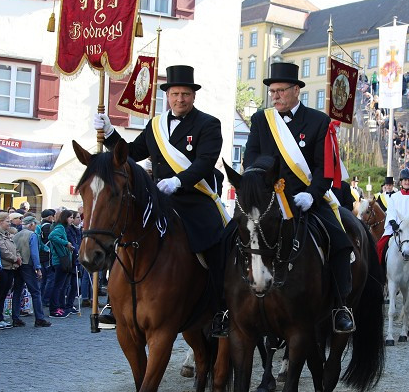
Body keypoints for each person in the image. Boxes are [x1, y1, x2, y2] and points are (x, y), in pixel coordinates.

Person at [93, 64, 231, 334]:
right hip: (158, 199)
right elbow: (131, 153)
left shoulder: (208, 124)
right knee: (124, 235)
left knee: (216, 244)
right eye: (175, 94)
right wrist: (110, 134)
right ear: (167, 96)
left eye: (186, 94)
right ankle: (113, 301)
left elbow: (205, 162)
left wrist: (179, 181)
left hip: (195, 198)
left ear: (193, 96)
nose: (180, 99)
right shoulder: (156, 125)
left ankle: (221, 309)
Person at [242, 61, 355, 333]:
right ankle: (226, 306)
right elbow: (251, 159)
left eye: (281, 90)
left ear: (296, 90)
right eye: (272, 91)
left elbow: (324, 168)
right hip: (269, 201)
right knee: (233, 240)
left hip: (305, 199)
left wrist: (311, 196)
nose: (276, 96)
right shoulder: (261, 120)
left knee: (340, 242)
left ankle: (341, 306)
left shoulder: (318, 121)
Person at [13, 213, 50, 328]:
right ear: (32, 224)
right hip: (27, 265)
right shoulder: (32, 235)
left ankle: (16, 318)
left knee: (17, 291)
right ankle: (39, 318)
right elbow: (34, 253)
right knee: (35, 292)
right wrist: (38, 268)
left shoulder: (16, 235)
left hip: (17, 265)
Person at [0, 211, 19, 328]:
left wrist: (17, 256)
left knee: (3, 294)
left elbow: (14, 247)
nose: (9, 223)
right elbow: (3, 251)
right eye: (7, 221)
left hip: (10, 267)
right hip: (3, 267)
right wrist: (15, 258)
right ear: (0, 222)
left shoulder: (6, 234)